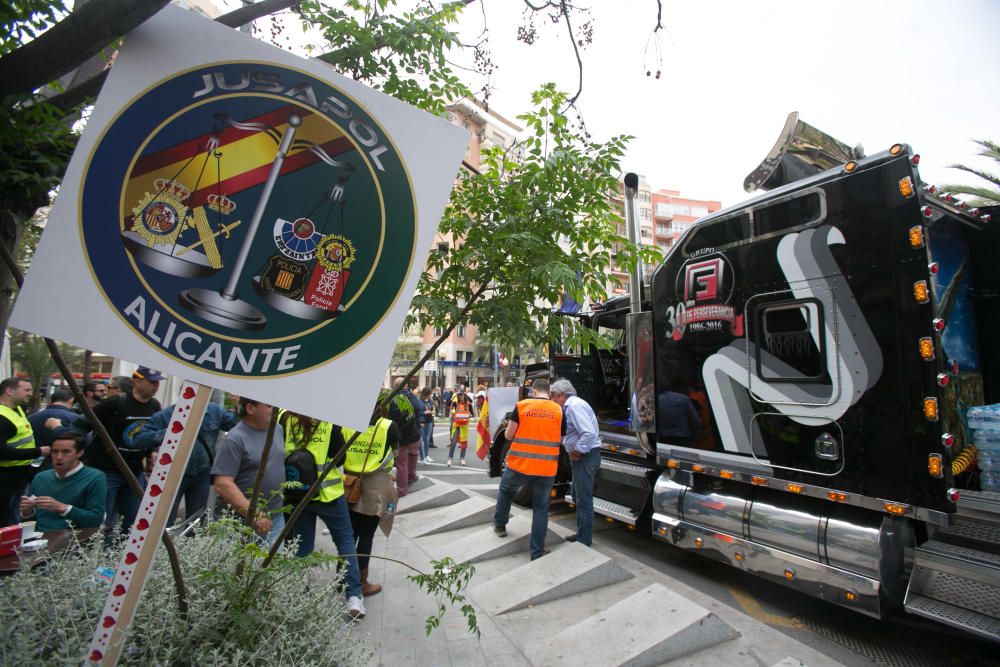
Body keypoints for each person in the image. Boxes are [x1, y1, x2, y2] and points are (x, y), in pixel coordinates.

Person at [279, 409, 366, 618]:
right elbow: (340, 459)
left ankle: (301, 597)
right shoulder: (330, 421)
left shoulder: (285, 418)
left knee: (301, 548)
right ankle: (354, 597)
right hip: (329, 495)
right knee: (345, 542)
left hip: (297, 494)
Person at [74, 366, 162, 536]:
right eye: (151, 382)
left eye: (157, 382)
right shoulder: (115, 403)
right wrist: (76, 452)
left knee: (134, 520)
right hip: (106, 470)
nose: (156, 386)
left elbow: (153, 432)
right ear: (137, 381)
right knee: (105, 520)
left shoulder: (154, 405)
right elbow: (80, 426)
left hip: (134, 471)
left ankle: (122, 555)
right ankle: (100, 555)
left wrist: (152, 452)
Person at [135, 390, 237, 524]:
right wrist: (169, 433)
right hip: (172, 474)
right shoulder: (167, 415)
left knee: (196, 523)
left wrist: (240, 407)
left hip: (201, 474)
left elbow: (237, 425)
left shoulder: (214, 412)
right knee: (163, 521)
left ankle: (190, 543)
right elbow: (139, 439)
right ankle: (163, 543)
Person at [492, 378, 565, 560]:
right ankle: (536, 551)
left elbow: (509, 434)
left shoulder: (522, 406)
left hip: (520, 465)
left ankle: (500, 525)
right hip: (546, 467)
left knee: (506, 490)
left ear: (533, 391)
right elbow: (561, 439)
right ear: (548, 393)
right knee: (541, 508)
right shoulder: (558, 410)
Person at [343, 396, 399, 598]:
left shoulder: (348, 423)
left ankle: (343, 577)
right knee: (366, 535)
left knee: (348, 535)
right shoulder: (388, 426)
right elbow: (396, 454)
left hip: (349, 485)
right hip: (376, 487)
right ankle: (361, 581)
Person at [211, 398, 286, 546]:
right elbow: (222, 484)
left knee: (270, 567)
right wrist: (254, 514)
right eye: (269, 404)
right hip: (237, 521)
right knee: (233, 567)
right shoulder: (235, 438)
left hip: (274, 517)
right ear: (251, 408)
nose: (274, 408)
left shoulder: (277, 429)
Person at [18, 430, 106, 532]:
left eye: (66, 452)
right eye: (55, 452)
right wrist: (27, 512)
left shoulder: (95, 477)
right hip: (38, 538)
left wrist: (63, 508)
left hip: (74, 538)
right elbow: (28, 522)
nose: (59, 457)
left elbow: (95, 520)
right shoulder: (41, 478)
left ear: (80, 453)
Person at [550, 379, 601, 547]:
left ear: (561, 395)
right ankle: (581, 534)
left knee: (584, 499)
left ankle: (584, 539)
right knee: (578, 496)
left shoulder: (574, 406)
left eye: (554, 397)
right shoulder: (571, 406)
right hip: (581, 457)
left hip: (585, 457)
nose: (553, 401)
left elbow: (588, 433)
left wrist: (577, 451)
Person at [0, 378, 48, 526]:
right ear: (9, 391)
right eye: (26, 390)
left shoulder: (17, 410)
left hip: (19, 474)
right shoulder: (2, 416)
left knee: (13, 516)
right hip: (5, 476)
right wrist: (38, 452)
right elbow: (2, 452)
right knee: (5, 518)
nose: (31, 393)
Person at [386, 377, 421, 496]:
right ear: (406, 385)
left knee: (401, 463)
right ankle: (411, 476)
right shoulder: (412, 397)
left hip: (399, 434)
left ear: (395, 386)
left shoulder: (391, 398)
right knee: (414, 454)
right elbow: (419, 410)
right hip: (413, 432)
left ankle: (402, 489)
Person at [656, 379, 701, 446]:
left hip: (665, 438)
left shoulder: (657, 400)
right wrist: (694, 435)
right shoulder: (684, 398)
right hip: (683, 438)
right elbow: (696, 420)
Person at [447, 386, 475, 466]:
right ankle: (450, 458)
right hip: (456, 425)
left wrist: (469, 415)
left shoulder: (468, 403)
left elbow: (472, 414)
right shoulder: (455, 402)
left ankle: (462, 458)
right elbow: (451, 408)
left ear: (464, 395)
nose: (460, 396)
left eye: (461, 395)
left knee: (463, 443)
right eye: (459, 395)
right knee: (453, 442)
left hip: (464, 426)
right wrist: (453, 413)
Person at [418, 387, 435, 463]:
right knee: (421, 439)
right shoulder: (419, 401)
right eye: (429, 393)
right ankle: (423, 457)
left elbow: (431, 408)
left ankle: (426, 456)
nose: (430, 395)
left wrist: (430, 410)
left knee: (427, 438)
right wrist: (424, 412)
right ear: (426, 393)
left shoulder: (430, 400)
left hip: (429, 420)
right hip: (422, 421)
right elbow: (418, 411)